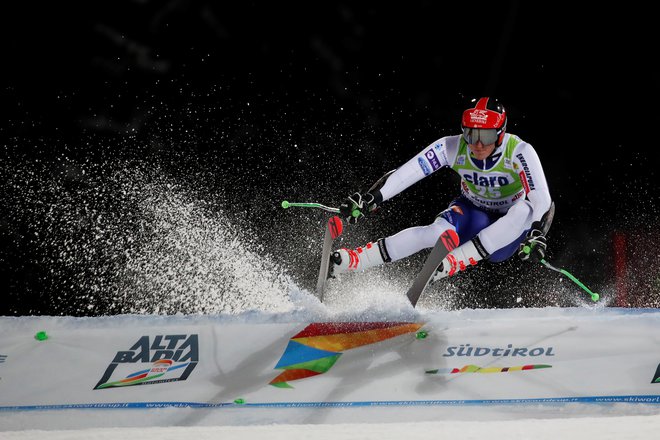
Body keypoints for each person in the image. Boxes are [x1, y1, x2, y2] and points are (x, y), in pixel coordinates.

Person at [330, 97, 553, 284]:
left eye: (485, 136)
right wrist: (374, 198)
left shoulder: (519, 150)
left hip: (507, 232)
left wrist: (537, 231)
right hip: (471, 212)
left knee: (524, 209)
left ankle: (456, 260)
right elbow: (410, 171)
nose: (477, 144)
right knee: (435, 234)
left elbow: (542, 197)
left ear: (501, 134)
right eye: (471, 134)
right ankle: (353, 261)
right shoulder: (452, 146)